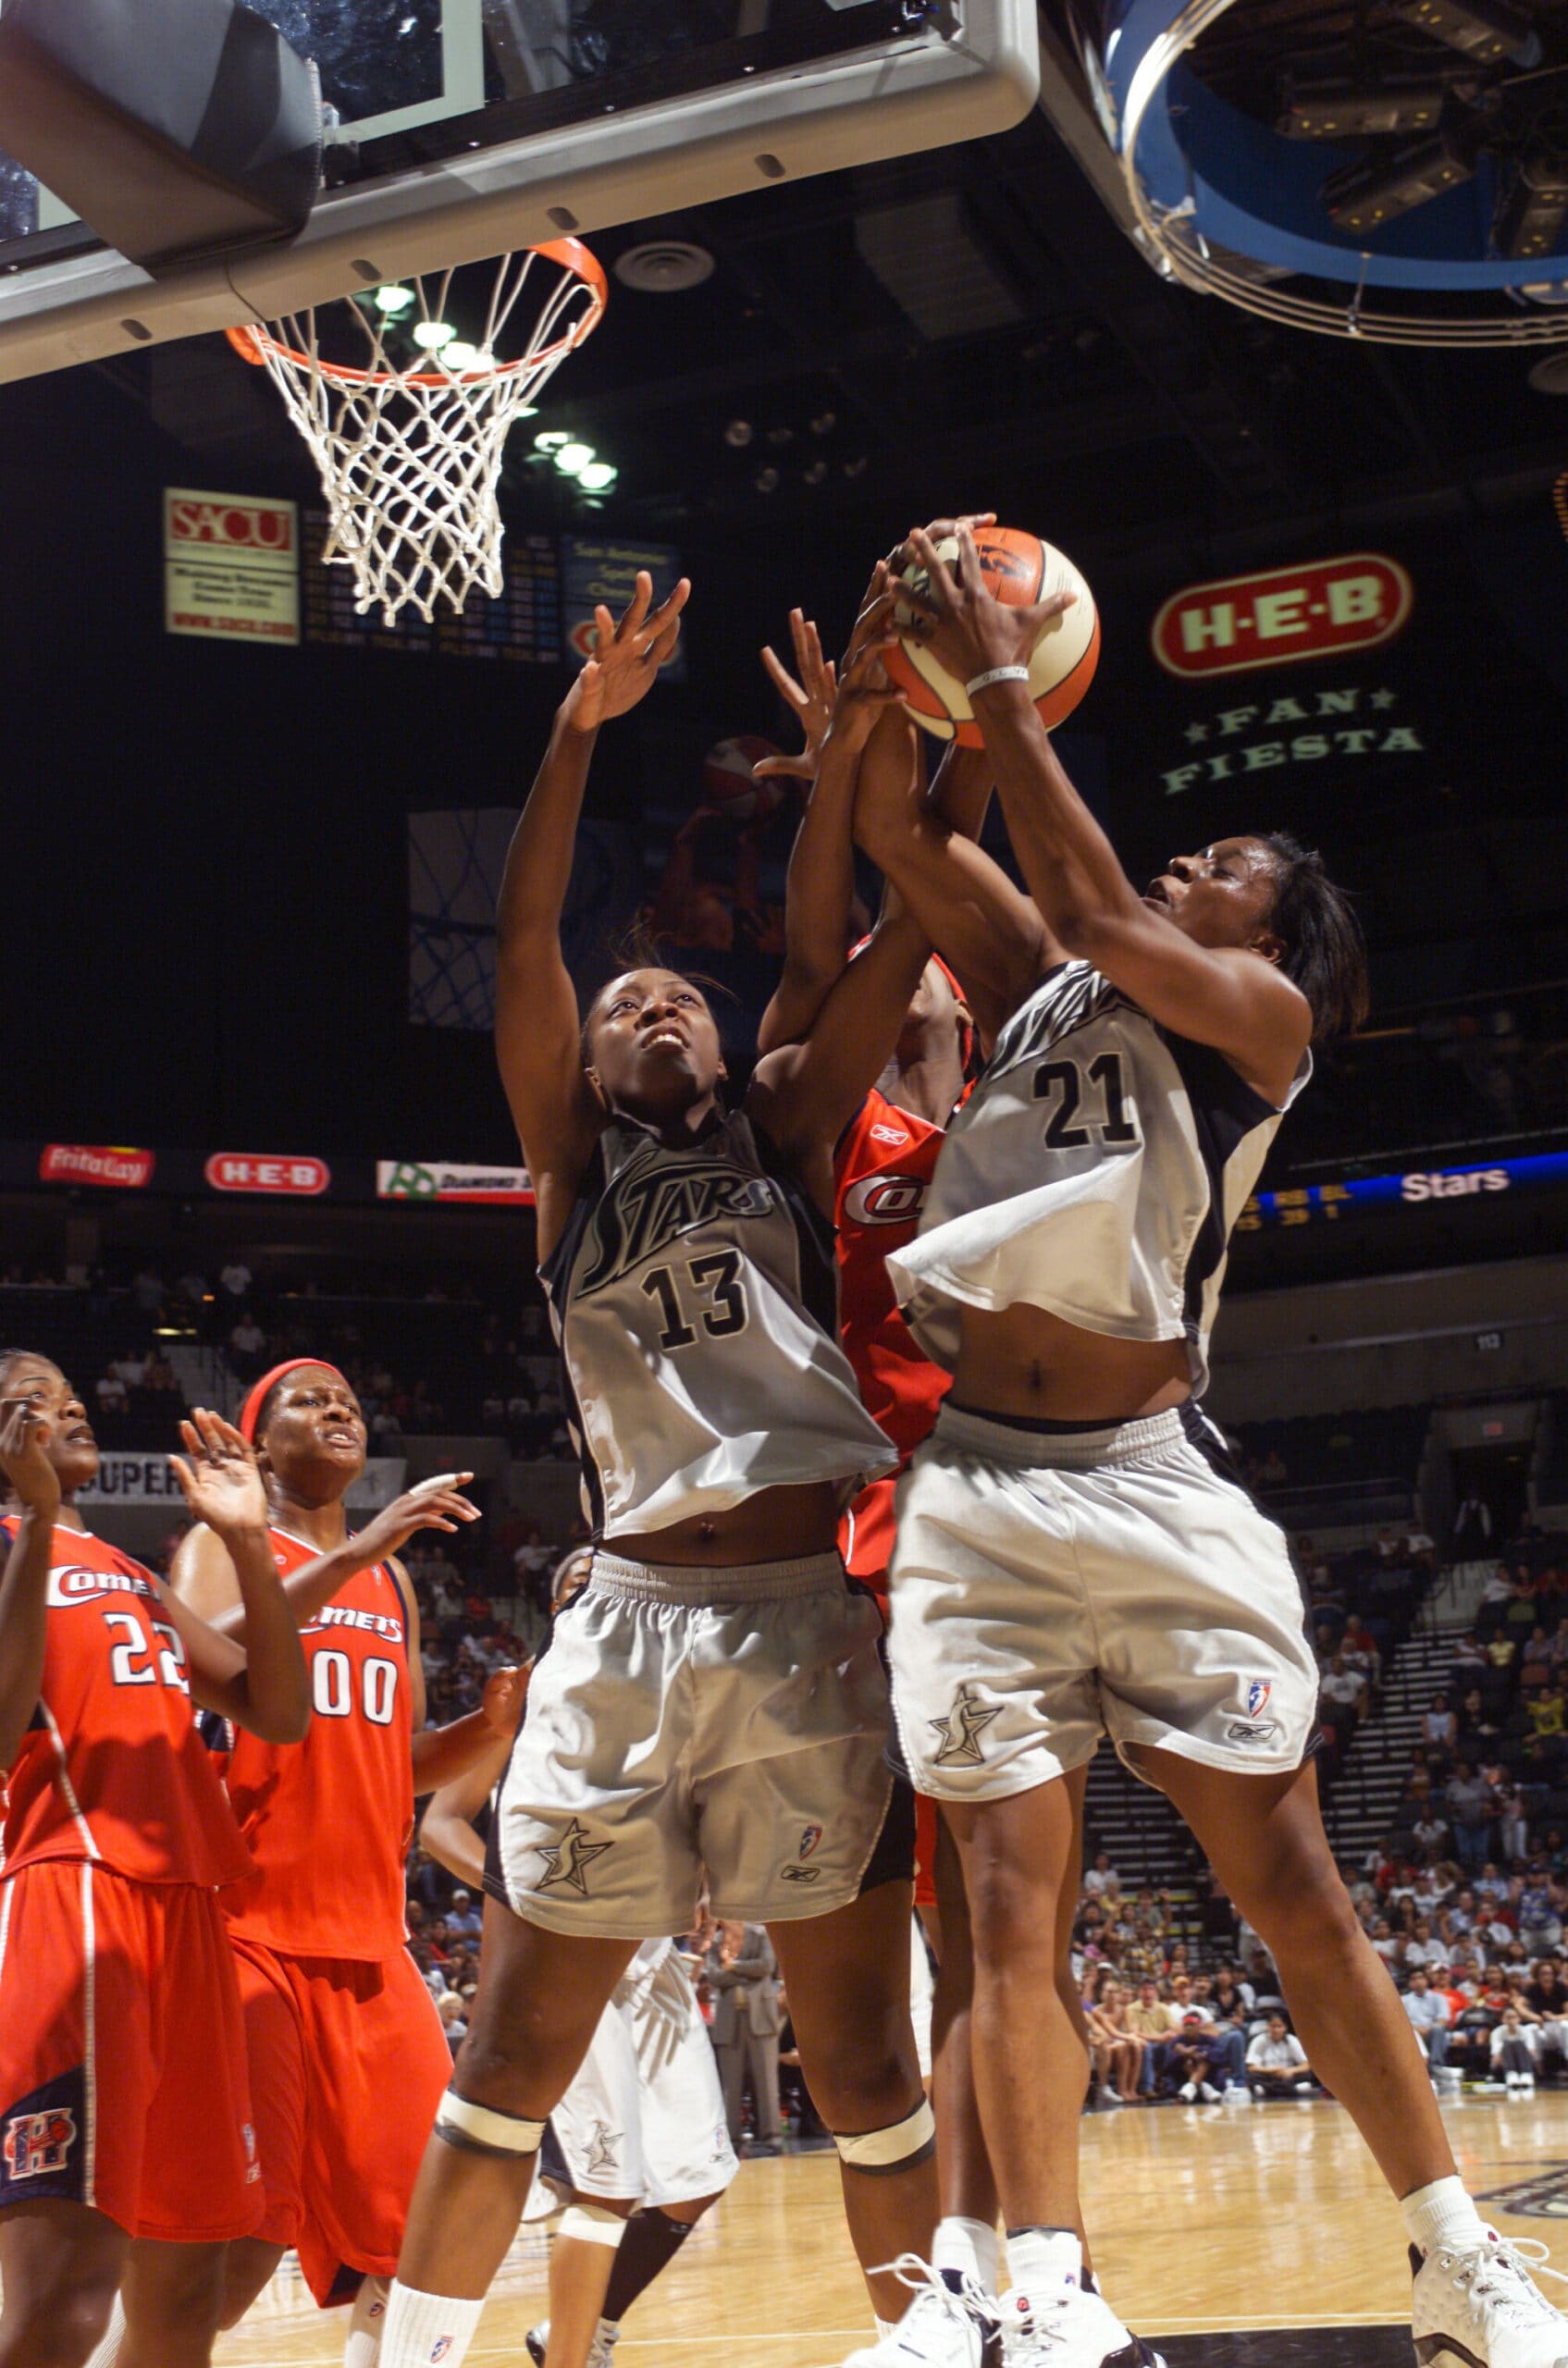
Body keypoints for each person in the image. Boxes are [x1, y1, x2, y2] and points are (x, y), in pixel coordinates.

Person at [857, 522, 1568, 2368]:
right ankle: (1053, 2285)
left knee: (1293, 1890)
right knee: (1002, 1914)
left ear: (1281, 931)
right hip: (977, 1492)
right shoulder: (1051, 983)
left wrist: (1001, 669)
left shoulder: (1258, 1025)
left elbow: (1098, 904)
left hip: (1152, 1486)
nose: (1192, 858)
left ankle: (1451, 2250)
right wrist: (907, 698)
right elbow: (910, 848)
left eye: (1228, 861)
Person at [378, 570, 943, 2368]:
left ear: (718, 1034)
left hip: (798, 1615)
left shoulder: (785, 1122)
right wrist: (572, 731)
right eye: (621, 1008)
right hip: (628, 1621)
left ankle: (930, 2342)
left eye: (667, 1000)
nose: (644, 1013)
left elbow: (876, 949)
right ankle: (404, 2356)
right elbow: (531, 935)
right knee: (508, 2059)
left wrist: (872, 750)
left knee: (863, 2059)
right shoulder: (568, 1163)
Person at [167, 1359, 520, 2359]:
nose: (337, 1412)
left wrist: (488, 1728)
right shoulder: (222, 1544)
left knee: (422, 2229)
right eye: (308, 1401)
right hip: (250, 1927)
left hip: (371, 1940)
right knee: (244, 2232)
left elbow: (398, 1762)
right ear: (257, 1440)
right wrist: (347, 1550)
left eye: (352, 1404)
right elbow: (202, 1661)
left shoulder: (393, 1577)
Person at [0, 1355, 309, 2368]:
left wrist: (250, 1542)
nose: (71, 1407)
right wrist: (37, 1524)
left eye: (70, 1394)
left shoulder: (130, 1571)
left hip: (189, 1916)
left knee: (186, 2287)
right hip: (75, 1896)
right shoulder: (9, 1544)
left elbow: (275, 1708)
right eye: (37, 1400)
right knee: (63, 2299)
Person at [417, 1555, 737, 2368]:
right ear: (557, 1605)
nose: (595, 1592)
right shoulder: (523, 1699)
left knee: (699, 2175)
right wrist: (525, 1892)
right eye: (576, 1584)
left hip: (651, 1961)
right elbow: (441, 1825)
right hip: (563, 1959)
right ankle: (571, 2357)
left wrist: (715, 1888)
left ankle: (577, 2329)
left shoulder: (671, 1695)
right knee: (607, 2182)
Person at [708, 1923, 784, 2152]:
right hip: (729, 2018)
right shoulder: (716, 1940)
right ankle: (732, 2138)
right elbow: (714, 1976)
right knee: (730, 2085)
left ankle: (772, 2136)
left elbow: (766, 1966)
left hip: (760, 2016)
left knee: (767, 2081)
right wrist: (745, 1974)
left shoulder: (760, 1934)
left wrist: (732, 1966)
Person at [1245, 2016, 1314, 2098]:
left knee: (1308, 2074)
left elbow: (1306, 2065)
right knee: (1253, 2076)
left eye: (1279, 2026)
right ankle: (1294, 2090)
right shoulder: (1259, 2040)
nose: (1276, 2030)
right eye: (1273, 2026)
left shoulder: (1292, 2040)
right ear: (1268, 2027)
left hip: (1288, 2076)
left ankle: (1266, 2090)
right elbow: (1251, 2067)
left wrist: (1291, 2071)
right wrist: (1271, 2070)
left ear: (1285, 2028)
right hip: (1267, 2075)